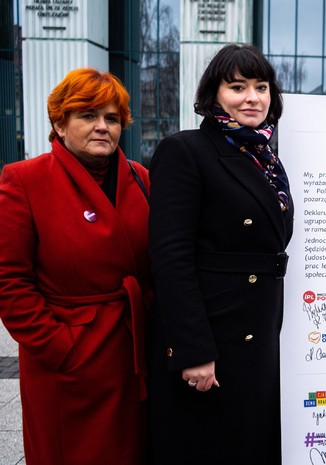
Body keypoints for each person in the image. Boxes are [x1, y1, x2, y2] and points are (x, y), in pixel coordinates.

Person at [147, 44, 293, 463]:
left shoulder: (265, 157)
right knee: (209, 446)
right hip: (212, 334)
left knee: (250, 441)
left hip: (258, 329)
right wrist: (193, 349)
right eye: (237, 87)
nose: (252, 98)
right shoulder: (185, 150)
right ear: (214, 94)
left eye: (261, 87)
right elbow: (171, 257)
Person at [0, 68, 151, 464]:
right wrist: (62, 349)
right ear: (59, 123)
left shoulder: (140, 178)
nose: (103, 126)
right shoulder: (25, 180)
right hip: (66, 364)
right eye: (88, 115)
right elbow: (9, 282)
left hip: (131, 354)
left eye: (112, 118)